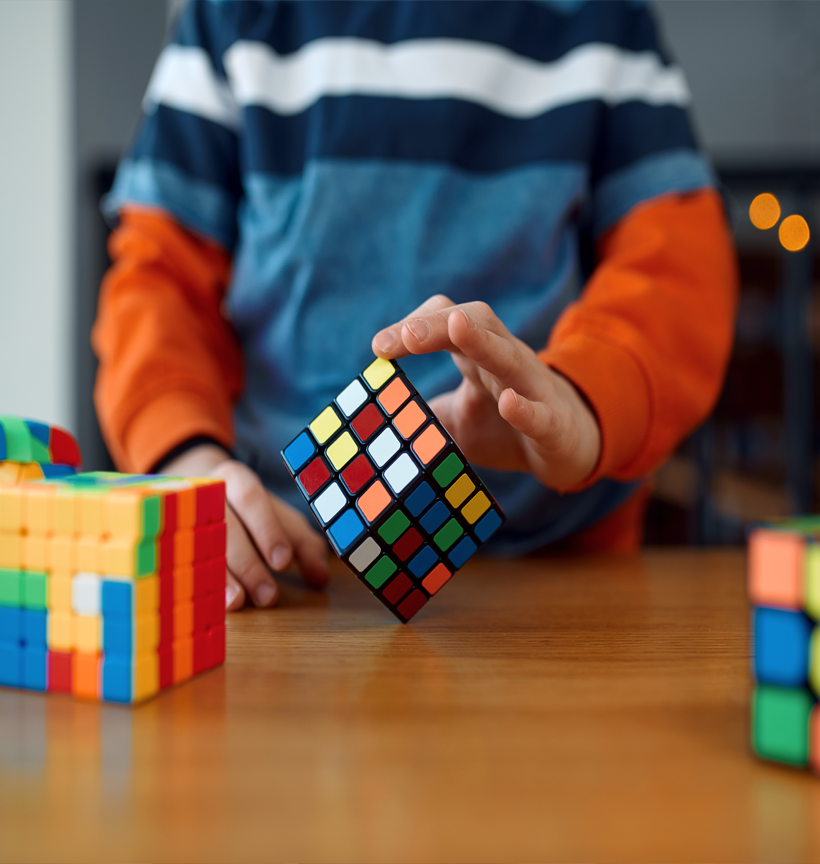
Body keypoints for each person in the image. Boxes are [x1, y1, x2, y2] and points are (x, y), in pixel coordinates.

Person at [94, 0, 738, 611]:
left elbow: (675, 266)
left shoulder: (600, 17)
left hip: (559, 558)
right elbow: (159, 282)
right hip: (286, 555)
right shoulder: (231, 16)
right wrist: (187, 456)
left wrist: (583, 399)